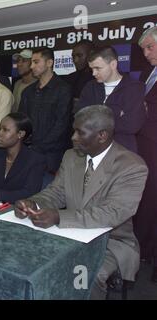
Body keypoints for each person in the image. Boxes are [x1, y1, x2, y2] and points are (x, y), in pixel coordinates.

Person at [14, 105, 148, 300]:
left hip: (111, 241)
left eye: (80, 132)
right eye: (73, 130)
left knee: (82, 275)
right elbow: (56, 192)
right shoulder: (71, 156)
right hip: (68, 233)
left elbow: (112, 213)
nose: (73, 138)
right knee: (28, 260)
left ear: (102, 135)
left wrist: (60, 216)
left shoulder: (132, 166)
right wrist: (33, 204)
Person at [18, 47, 72, 185]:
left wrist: (39, 147)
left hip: (52, 157)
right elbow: (21, 122)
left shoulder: (63, 89)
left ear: (49, 63)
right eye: (31, 62)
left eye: (36, 62)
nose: (31, 66)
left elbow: (62, 124)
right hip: (29, 155)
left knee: (47, 199)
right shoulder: (28, 92)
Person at [77, 46, 146, 153]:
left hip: (123, 153)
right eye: (92, 69)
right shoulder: (90, 87)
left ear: (113, 64)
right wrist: (117, 113)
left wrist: (96, 119)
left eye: (98, 68)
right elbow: (80, 117)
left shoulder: (135, 87)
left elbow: (132, 125)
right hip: (93, 151)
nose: (94, 73)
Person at [135, 26, 157, 282]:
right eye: (143, 49)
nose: (146, 53)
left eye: (150, 47)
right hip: (145, 148)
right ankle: (144, 251)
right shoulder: (148, 73)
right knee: (148, 201)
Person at [62, 40, 95, 109]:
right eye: (73, 57)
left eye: (79, 56)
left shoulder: (100, 78)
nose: (75, 60)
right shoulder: (68, 79)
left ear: (91, 54)